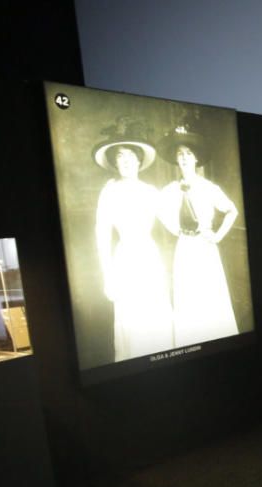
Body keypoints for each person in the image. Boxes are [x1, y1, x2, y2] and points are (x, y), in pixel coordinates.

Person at [93, 118, 174, 361]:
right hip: (125, 260)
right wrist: (107, 277)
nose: (125, 161)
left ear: (139, 160)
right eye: (119, 157)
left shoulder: (151, 192)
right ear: (115, 163)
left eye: (129, 156)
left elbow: (172, 223)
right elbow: (102, 234)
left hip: (149, 258)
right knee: (132, 324)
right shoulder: (110, 190)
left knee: (155, 320)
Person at [157, 126, 239, 347]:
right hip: (184, 247)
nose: (184, 158)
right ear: (176, 159)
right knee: (188, 298)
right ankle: (190, 345)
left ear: (196, 159)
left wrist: (218, 235)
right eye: (180, 154)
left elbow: (232, 210)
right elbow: (160, 212)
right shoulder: (170, 189)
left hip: (205, 247)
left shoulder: (208, 187)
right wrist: (177, 230)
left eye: (188, 154)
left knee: (209, 296)